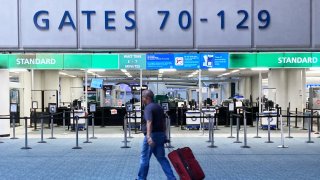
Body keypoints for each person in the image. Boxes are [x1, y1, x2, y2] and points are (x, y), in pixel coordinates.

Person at [137, 90, 176, 180]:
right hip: (160, 135)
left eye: (142, 97)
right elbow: (164, 122)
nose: (142, 99)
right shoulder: (159, 107)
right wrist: (164, 135)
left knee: (144, 158)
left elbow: (149, 122)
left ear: (147, 98)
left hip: (152, 136)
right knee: (161, 158)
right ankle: (171, 178)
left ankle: (141, 178)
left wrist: (148, 137)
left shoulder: (148, 108)